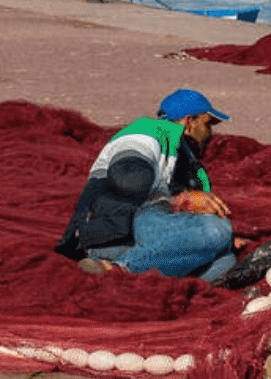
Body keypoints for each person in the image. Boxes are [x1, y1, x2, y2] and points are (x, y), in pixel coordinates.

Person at [55, 88, 243, 282]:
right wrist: (181, 201)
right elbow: (128, 179)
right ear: (189, 122)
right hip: (116, 229)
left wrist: (220, 241)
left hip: (144, 236)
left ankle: (130, 275)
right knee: (217, 229)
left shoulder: (185, 161)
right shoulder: (145, 134)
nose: (210, 133)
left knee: (224, 261)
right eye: (208, 124)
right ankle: (119, 272)